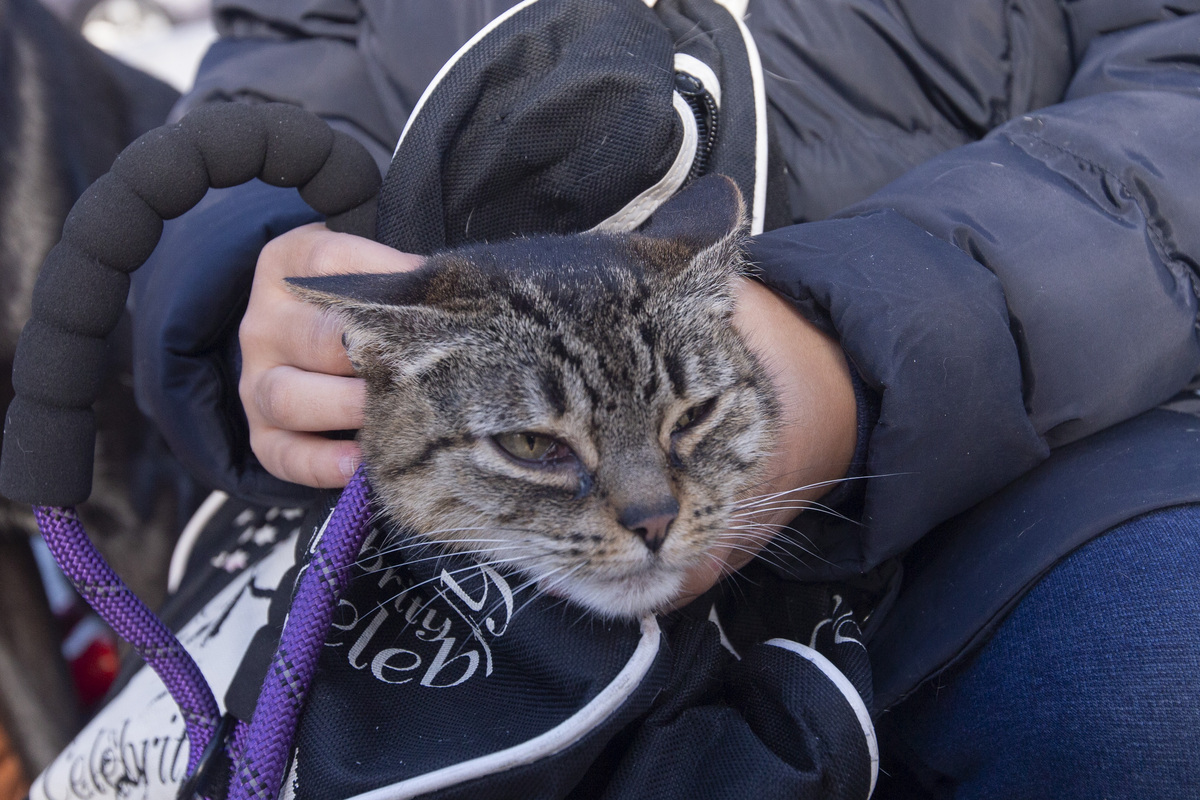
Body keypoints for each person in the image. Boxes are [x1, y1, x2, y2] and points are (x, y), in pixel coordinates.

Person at [128, 1, 1200, 797]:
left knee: (1156, 688)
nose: (646, 513)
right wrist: (252, 264)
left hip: (1040, 428)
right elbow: (278, 69)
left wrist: (868, 339)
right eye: (557, 450)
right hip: (453, 449)